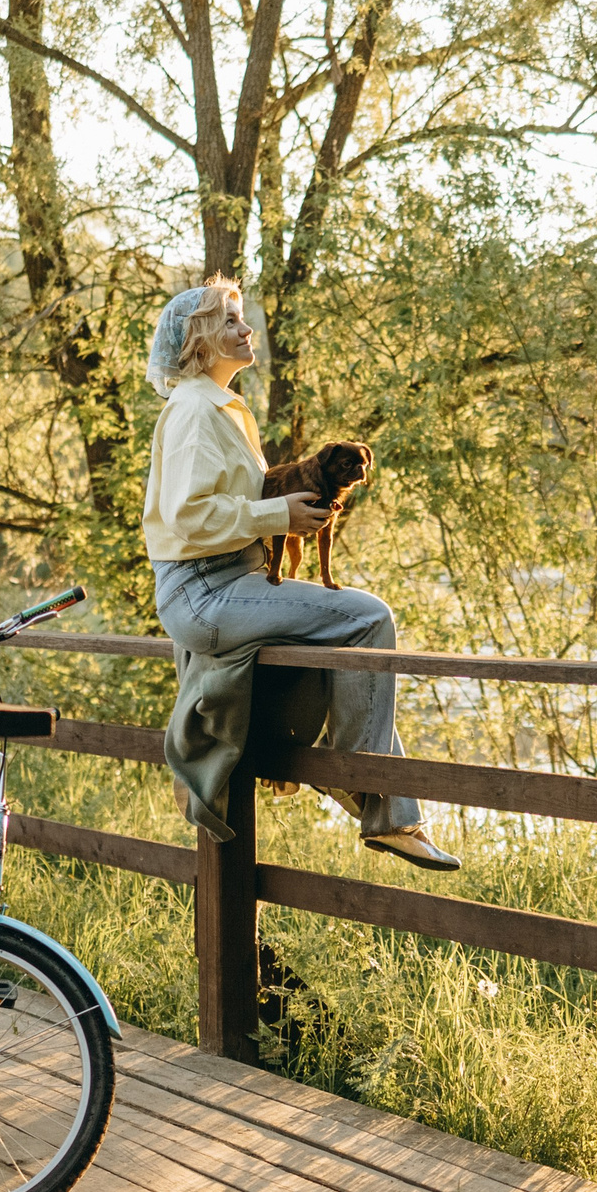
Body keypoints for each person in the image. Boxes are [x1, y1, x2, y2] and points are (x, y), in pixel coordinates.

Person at [142, 277, 460, 869]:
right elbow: (185, 517)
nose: (246, 329)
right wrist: (276, 513)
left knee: (351, 624)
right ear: (199, 340)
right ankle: (363, 785)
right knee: (368, 618)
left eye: (243, 318)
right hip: (205, 590)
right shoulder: (192, 410)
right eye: (231, 320)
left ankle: (378, 800)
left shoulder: (222, 409)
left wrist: (287, 514)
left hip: (234, 581)